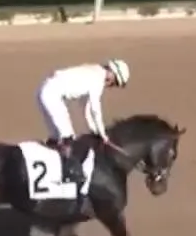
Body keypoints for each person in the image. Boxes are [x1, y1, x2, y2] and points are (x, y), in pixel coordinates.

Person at [35, 59, 130, 189]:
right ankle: (68, 173)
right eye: (115, 82)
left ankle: (51, 168)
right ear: (113, 73)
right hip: (51, 94)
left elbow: (85, 107)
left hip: (45, 91)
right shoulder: (98, 78)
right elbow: (95, 109)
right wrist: (103, 134)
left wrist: (94, 130)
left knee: (56, 138)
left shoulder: (94, 72)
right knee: (68, 137)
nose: (112, 85)